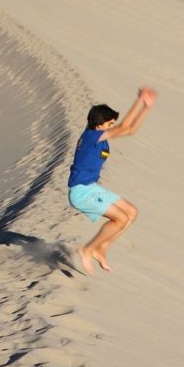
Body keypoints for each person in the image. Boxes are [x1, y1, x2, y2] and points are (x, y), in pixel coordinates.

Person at [68, 86, 157, 274]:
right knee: (120, 219)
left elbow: (130, 130)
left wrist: (146, 108)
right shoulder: (92, 136)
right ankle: (87, 249)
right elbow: (124, 127)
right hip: (81, 192)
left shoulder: (97, 137)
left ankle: (102, 248)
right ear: (99, 124)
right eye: (109, 124)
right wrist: (139, 100)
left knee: (132, 212)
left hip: (91, 188)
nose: (111, 127)